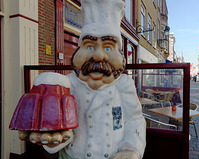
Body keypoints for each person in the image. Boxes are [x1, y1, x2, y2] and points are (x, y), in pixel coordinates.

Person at [11, 0, 146, 159]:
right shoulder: (66, 84)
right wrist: (54, 139)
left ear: (121, 55)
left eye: (108, 47)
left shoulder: (124, 85)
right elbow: (59, 126)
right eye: (89, 46)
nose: (98, 55)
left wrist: (132, 149)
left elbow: (134, 119)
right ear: (78, 51)